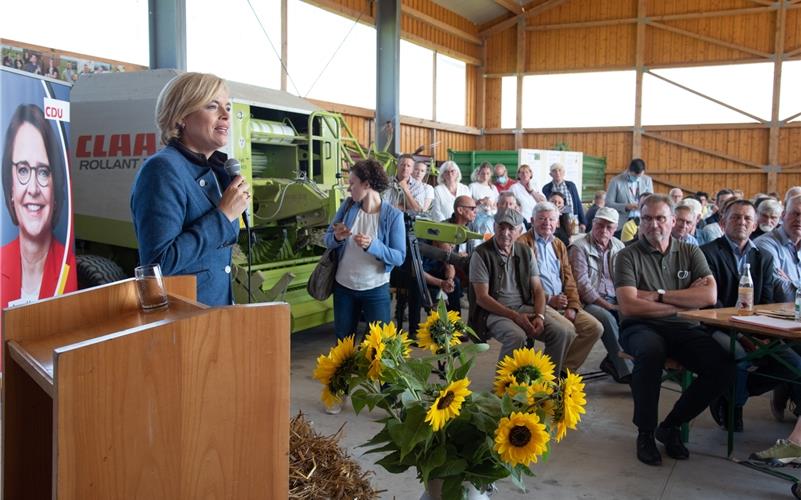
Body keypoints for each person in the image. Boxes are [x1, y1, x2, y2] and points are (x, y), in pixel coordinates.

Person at [614, 194, 733, 466]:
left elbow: (709, 296)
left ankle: (671, 425)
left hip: (683, 328)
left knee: (723, 366)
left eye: (660, 218)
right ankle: (645, 432)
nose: (654, 224)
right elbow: (630, 306)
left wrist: (658, 296)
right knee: (651, 352)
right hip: (639, 327)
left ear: (672, 221)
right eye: (647, 218)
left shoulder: (690, 251)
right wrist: (683, 303)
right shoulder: (627, 255)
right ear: (640, 222)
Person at [131, 72, 247, 307]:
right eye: (213, 106)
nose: (226, 115)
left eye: (227, 107)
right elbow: (159, 263)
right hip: (185, 319)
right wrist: (223, 216)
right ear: (182, 116)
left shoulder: (215, 170)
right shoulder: (162, 169)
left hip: (215, 311)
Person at [701, 199, 799, 432]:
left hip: (755, 327)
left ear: (755, 225)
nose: (741, 222)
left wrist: (761, 334)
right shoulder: (707, 253)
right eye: (735, 217)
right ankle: (734, 405)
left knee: (792, 364)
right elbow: (711, 301)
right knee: (738, 354)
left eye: (747, 218)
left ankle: (729, 393)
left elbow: (765, 301)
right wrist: (745, 336)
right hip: (717, 326)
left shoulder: (762, 258)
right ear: (723, 222)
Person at [468, 209, 573, 371]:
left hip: (523, 306)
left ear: (519, 231)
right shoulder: (481, 254)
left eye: (511, 229)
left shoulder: (525, 251)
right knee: (516, 336)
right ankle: (504, 389)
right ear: (494, 227)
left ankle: (547, 381)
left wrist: (539, 315)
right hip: (492, 312)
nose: (505, 233)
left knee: (563, 332)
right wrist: (515, 316)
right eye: (501, 227)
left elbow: (538, 289)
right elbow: (482, 298)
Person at [2, 104, 76, 308]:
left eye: (43, 172)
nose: (33, 188)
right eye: (23, 170)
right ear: (10, 185)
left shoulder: (69, 267)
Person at [325, 158, 405, 340]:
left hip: (376, 289)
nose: (348, 188)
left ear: (367, 184)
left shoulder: (394, 216)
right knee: (343, 345)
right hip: (343, 288)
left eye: (352, 183)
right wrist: (337, 237)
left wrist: (373, 246)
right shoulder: (347, 207)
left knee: (379, 346)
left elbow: (399, 257)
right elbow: (328, 240)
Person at [518, 202, 603, 373]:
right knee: (567, 330)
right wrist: (550, 299)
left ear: (557, 222)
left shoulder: (558, 244)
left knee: (594, 328)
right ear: (532, 220)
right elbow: (521, 283)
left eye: (551, 219)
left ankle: (563, 371)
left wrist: (573, 306)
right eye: (541, 219)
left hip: (562, 302)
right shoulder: (522, 244)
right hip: (538, 303)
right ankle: (549, 378)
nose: (547, 223)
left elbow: (569, 278)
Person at [568, 207, 632, 383]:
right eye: (600, 225)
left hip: (615, 297)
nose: (604, 230)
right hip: (588, 302)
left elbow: (625, 278)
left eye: (609, 227)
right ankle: (628, 372)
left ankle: (613, 361)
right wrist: (609, 305)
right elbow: (582, 285)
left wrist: (624, 302)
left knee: (636, 316)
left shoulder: (619, 246)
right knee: (607, 318)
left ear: (615, 228)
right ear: (593, 224)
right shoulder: (579, 247)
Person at [605, 158, 654, 227]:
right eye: (634, 176)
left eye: (639, 176)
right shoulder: (615, 181)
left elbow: (651, 201)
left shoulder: (647, 180)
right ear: (629, 170)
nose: (637, 179)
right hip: (622, 223)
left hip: (642, 222)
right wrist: (625, 207)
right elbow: (608, 204)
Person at [542, 162, 585, 229]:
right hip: (554, 222)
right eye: (554, 171)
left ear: (564, 173)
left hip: (572, 222)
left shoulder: (571, 186)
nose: (557, 173)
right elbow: (548, 207)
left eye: (560, 170)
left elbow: (578, 204)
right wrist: (567, 209)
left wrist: (582, 222)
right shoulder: (546, 188)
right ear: (550, 174)